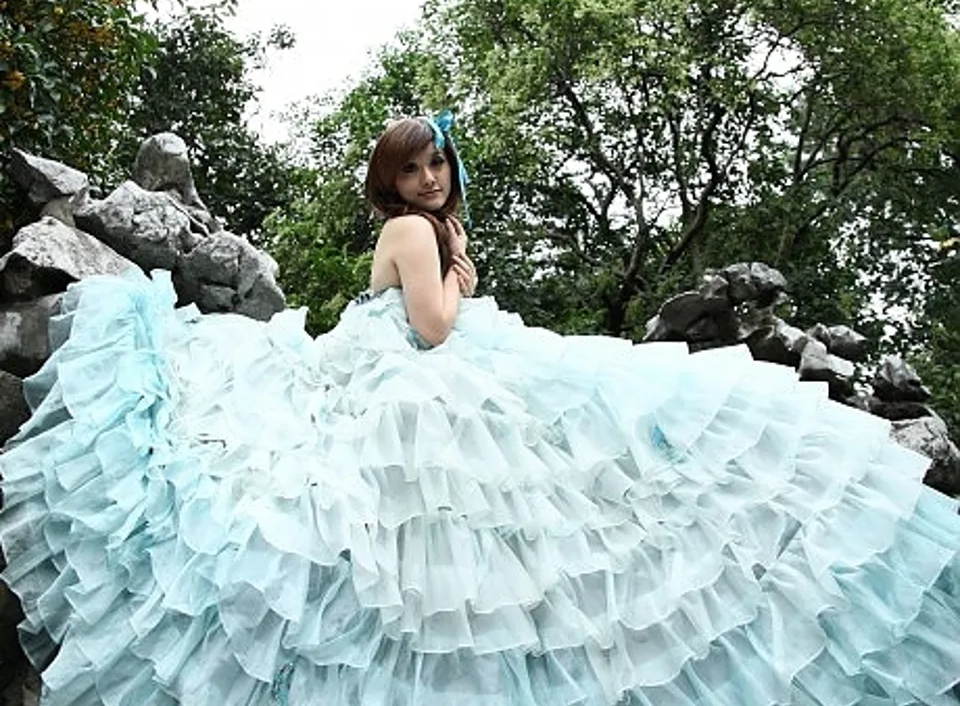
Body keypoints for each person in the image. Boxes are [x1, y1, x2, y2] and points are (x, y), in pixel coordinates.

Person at [0, 114, 958, 706]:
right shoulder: (418, 233)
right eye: (412, 170)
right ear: (390, 184)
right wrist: (456, 268)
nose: (430, 180)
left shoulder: (432, 225)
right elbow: (434, 328)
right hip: (411, 373)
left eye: (438, 165)